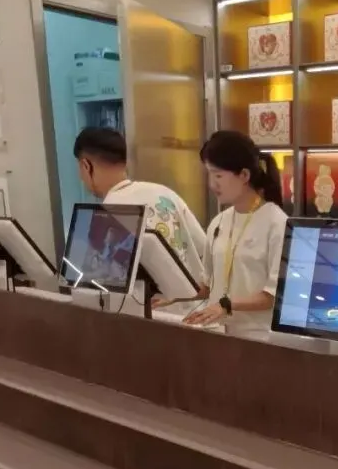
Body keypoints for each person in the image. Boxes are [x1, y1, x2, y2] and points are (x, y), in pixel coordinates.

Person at [185, 130, 287, 336]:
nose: (212, 184)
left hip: (258, 339)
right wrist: (172, 295)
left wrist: (226, 305)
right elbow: (207, 285)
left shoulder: (277, 223)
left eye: (218, 175)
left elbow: (273, 295)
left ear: (244, 175)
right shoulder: (219, 222)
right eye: (209, 174)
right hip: (217, 334)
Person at [73, 127, 206, 281]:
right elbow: (205, 250)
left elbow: (104, 281)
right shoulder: (165, 194)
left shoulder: (105, 214)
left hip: (147, 297)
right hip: (196, 295)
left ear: (86, 166)